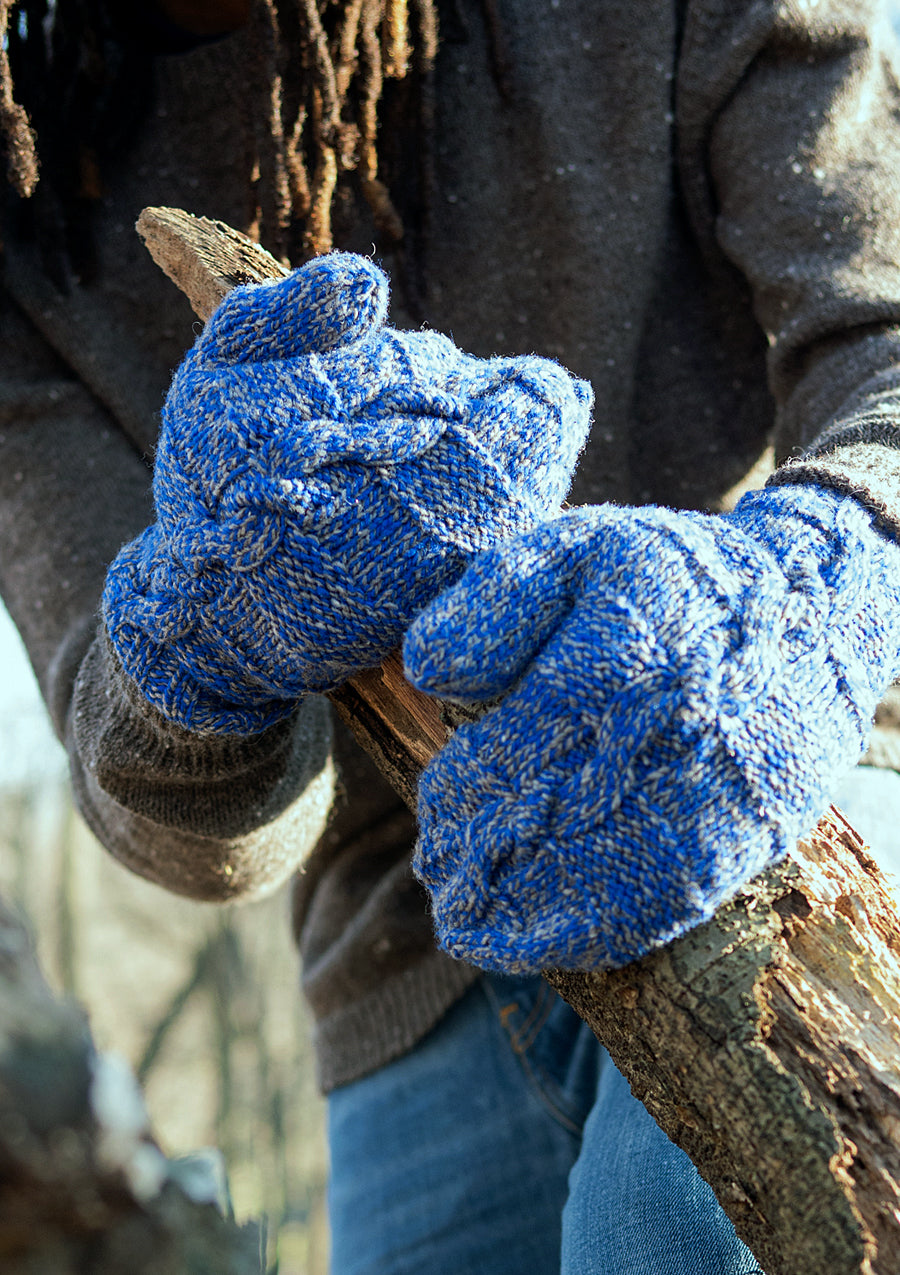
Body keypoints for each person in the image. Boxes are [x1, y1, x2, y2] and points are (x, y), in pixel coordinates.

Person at [3, 2, 900, 1273]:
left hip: (792, 783)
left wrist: (821, 574)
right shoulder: (28, 193)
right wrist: (201, 645)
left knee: (664, 1234)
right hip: (405, 965)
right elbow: (165, 813)